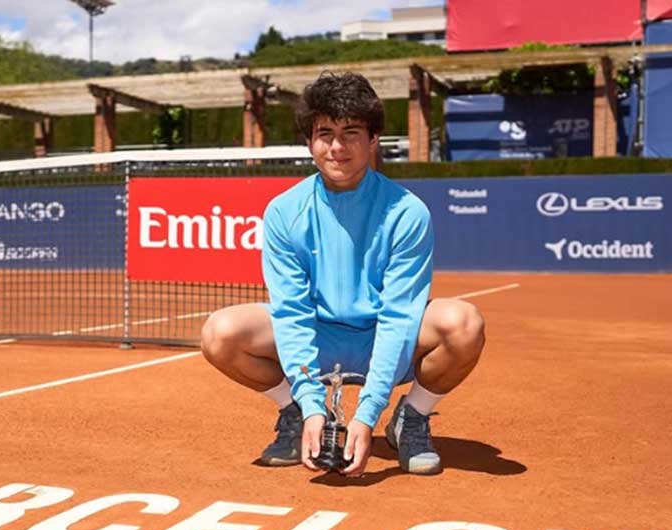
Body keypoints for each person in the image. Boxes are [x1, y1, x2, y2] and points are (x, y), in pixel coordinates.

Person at [201, 72, 486, 477]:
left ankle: (413, 418)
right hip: (319, 337)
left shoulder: (407, 212)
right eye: (325, 133)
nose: (337, 147)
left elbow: (398, 317)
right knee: (220, 332)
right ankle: (297, 414)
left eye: (351, 132)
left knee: (464, 324)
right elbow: (292, 314)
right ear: (310, 142)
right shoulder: (284, 212)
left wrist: (367, 415)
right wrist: (314, 403)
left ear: (373, 141)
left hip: (384, 340)